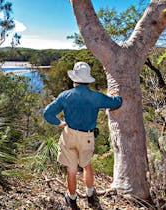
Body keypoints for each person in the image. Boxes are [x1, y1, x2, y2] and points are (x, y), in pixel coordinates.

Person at [43, 62, 122, 210]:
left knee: (71, 170)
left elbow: (47, 113)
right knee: (86, 165)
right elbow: (116, 103)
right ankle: (90, 195)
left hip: (69, 135)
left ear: (75, 79)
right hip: (87, 137)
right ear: (87, 79)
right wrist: (117, 96)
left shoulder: (65, 96)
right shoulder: (96, 97)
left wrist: (59, 123)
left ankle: (72, 199)